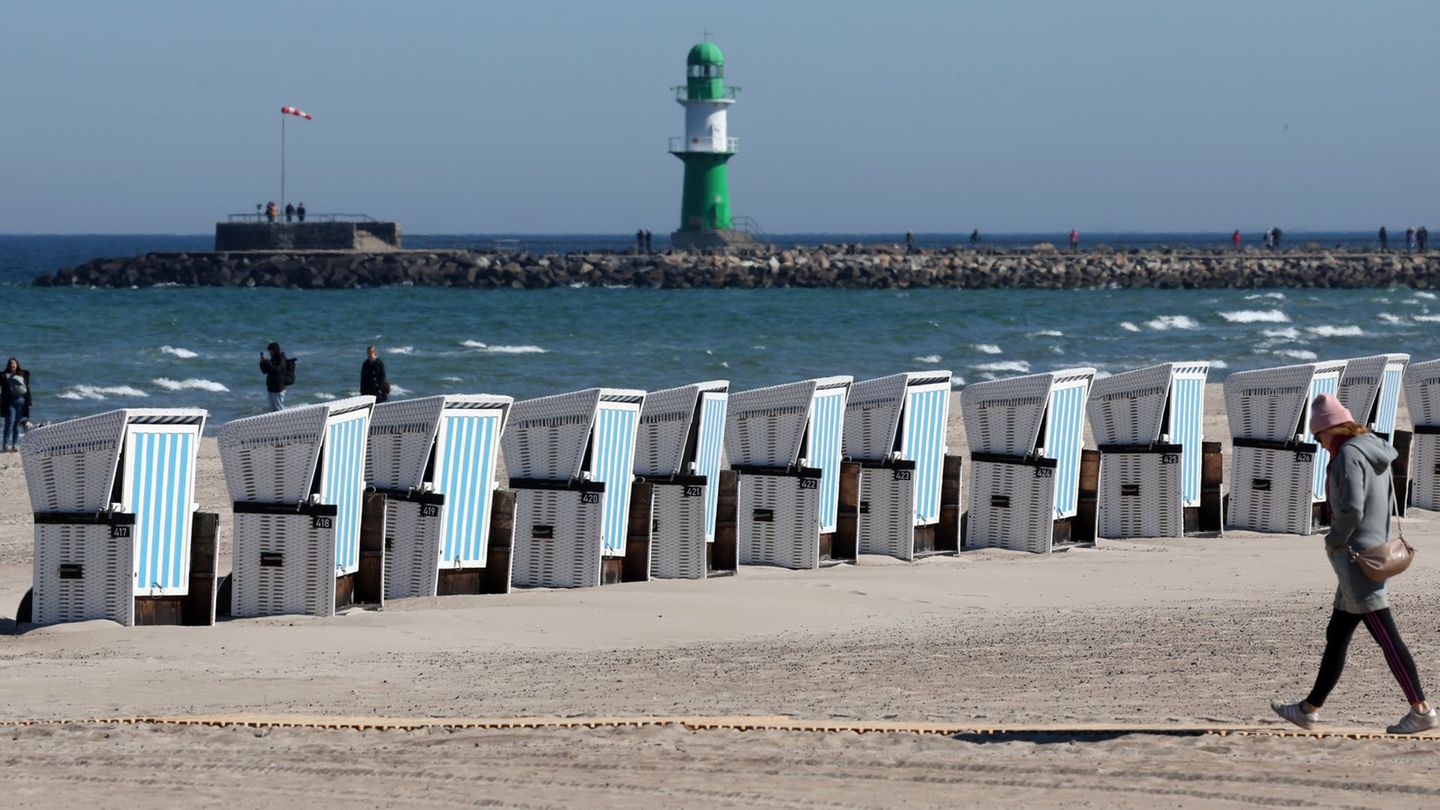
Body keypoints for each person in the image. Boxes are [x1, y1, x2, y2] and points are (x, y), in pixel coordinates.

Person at [1271, 394, 1437, 735]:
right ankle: (1308, 710)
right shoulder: (1372, 448)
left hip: (1357, 558)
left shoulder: (1348, 454)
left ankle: (1421, 710)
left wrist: (1333, 539)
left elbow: (1351, 508)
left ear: (1330, 429)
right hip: (1374, 551)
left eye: (1318, 436)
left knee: (1387, 637)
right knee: (1337, 635)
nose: (1320, 444)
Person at [1, 357, 32, 452]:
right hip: (9, 402)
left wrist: (29, 402)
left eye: (13, 363)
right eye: (10, 363)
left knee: (16, 424)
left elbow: (27, 389)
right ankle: (5, 446)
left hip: (21, 401)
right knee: (9, 423)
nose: (12, 365)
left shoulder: (22, 374)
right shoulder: (3, 375)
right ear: (8, 365)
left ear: (17, 364)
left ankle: (14, 445)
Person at [259, 342, 287, 411]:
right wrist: (262, 363)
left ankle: (285, 418)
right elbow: (265, 371)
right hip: (271, 388)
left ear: (275, 350)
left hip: (278, 389)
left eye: (271, 351)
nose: (270, 353)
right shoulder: (272, 360)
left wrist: (267, 362)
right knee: (273, 410)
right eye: (269, 351)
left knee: (279, 409)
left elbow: (276, 370)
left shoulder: (282, 359)